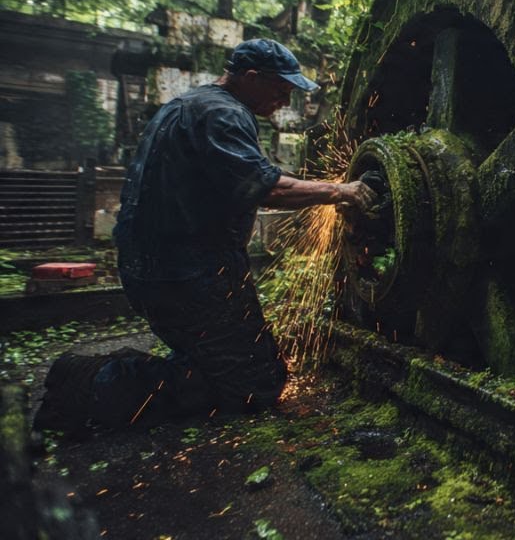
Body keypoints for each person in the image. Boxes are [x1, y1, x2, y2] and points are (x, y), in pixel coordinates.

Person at [35, 39, 375, 436]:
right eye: (281, 90)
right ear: (251, 78)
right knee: (256, 386)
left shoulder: (187, 105)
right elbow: (265, 188)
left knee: (230, 363)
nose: (284, 101)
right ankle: (85, 382)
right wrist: (341, 191)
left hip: (154, 267)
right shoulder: (222, 113)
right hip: (187, 273)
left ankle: (127, 377)